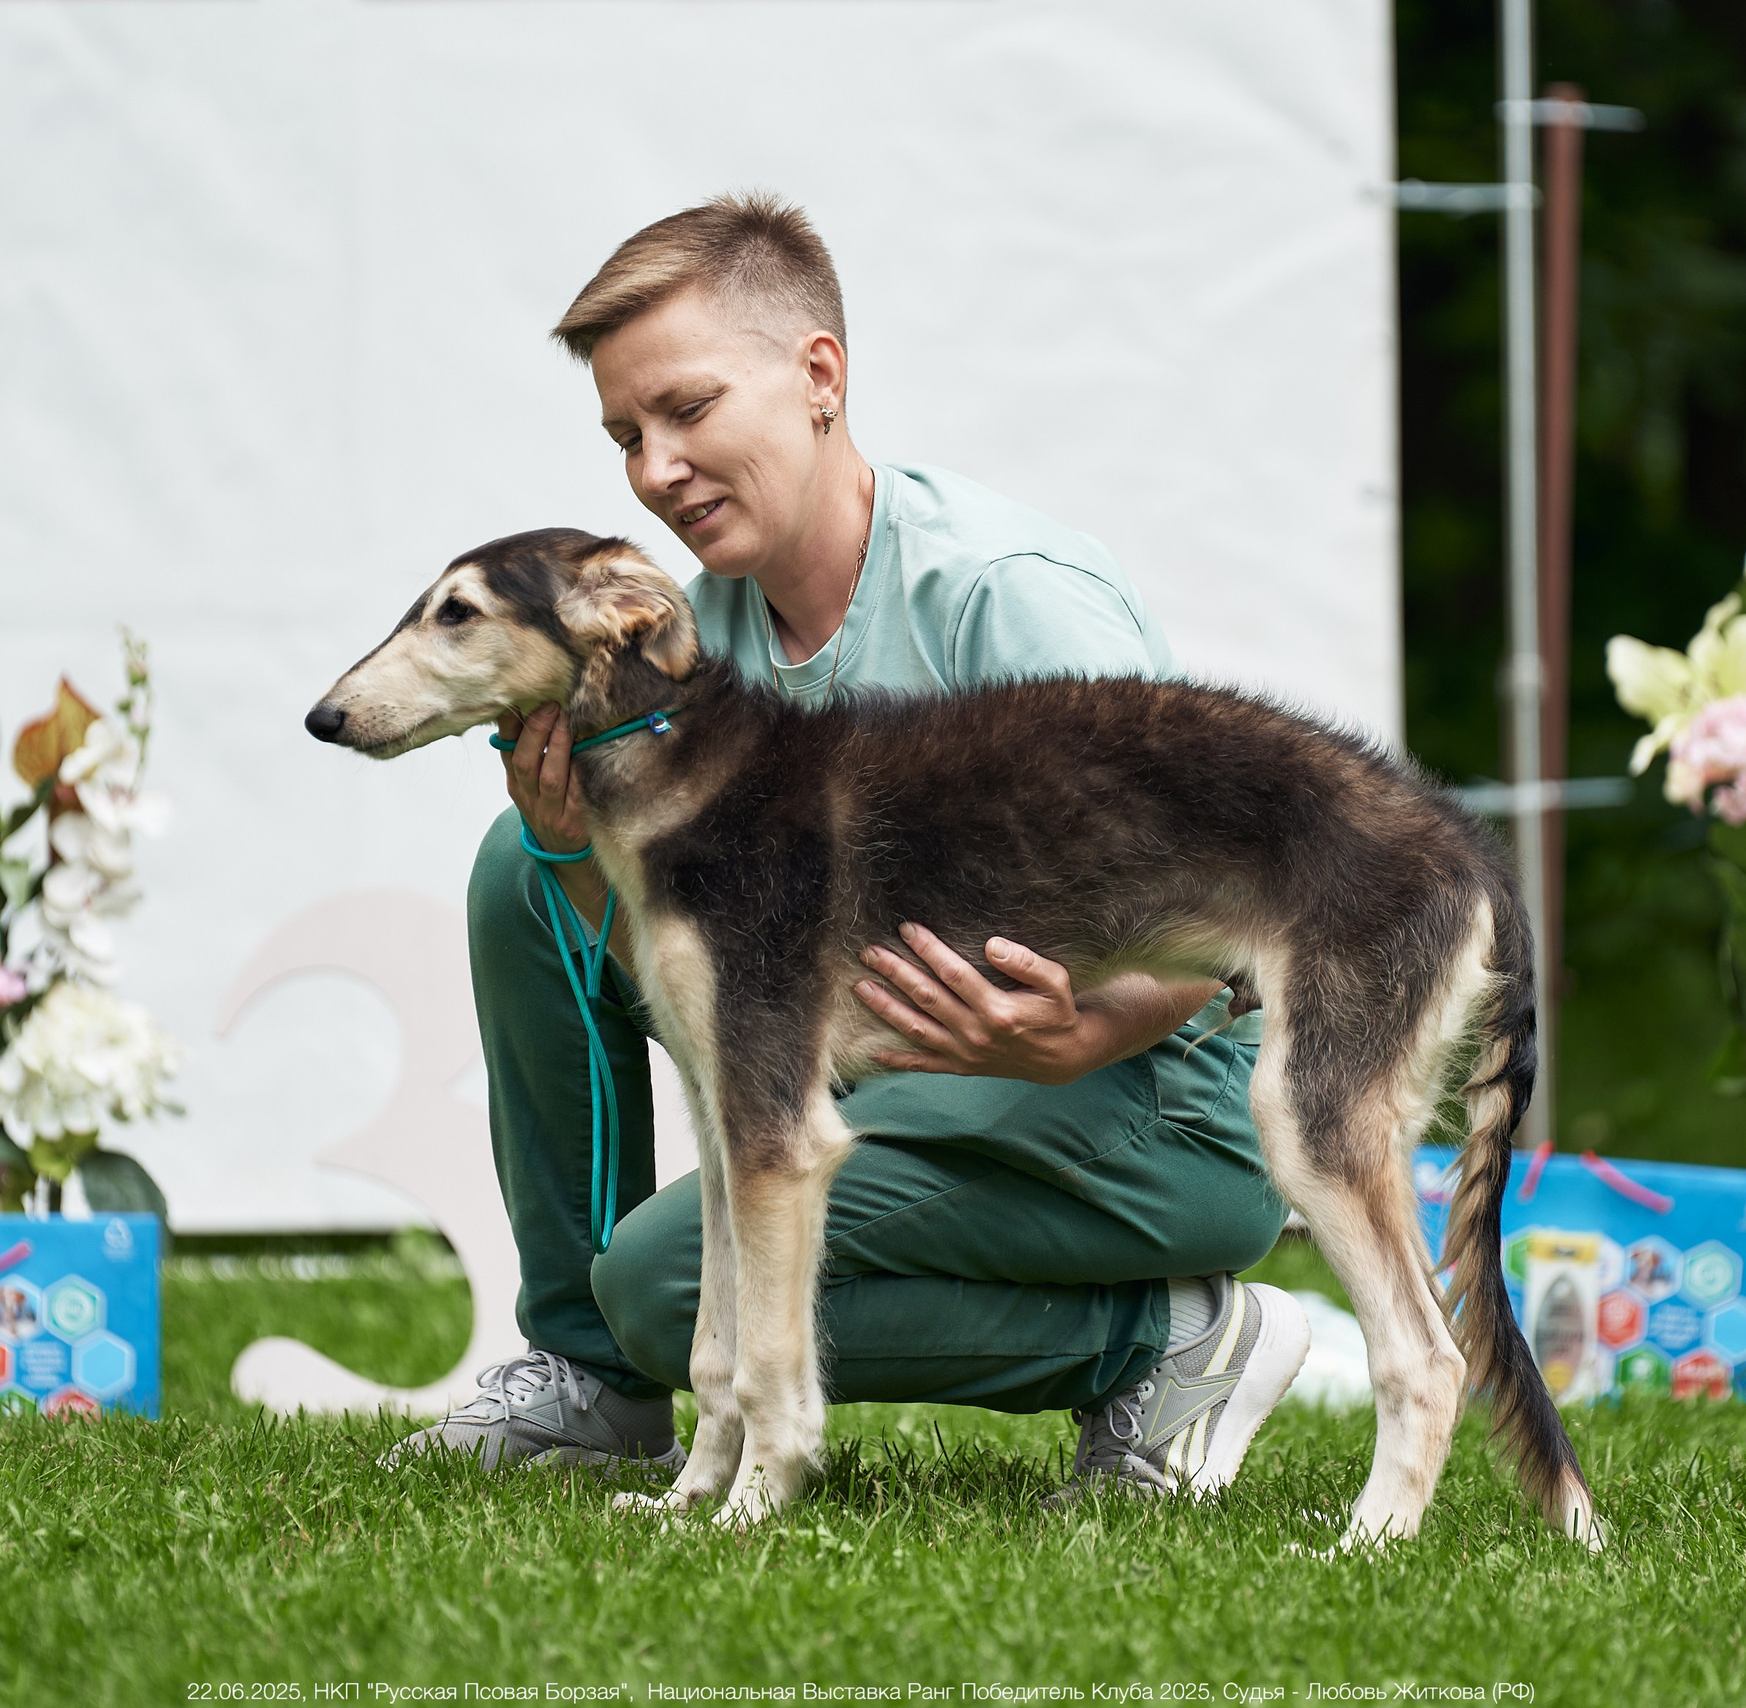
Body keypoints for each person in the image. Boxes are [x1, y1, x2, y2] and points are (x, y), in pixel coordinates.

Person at [388, 195, 1307, 1499]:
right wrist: (572, 854)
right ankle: (597, 1378)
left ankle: (1170, 1339)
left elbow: (1245, 901)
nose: (656, 469)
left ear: (819, 377)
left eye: (690, 410)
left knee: (668, 1284)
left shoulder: (1005, 600)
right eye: (626, 435)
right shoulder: (686, 640)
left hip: (1156, 1100)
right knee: (517, 876)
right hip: (902, 1069)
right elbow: (687, 957)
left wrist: (1095, 1026)